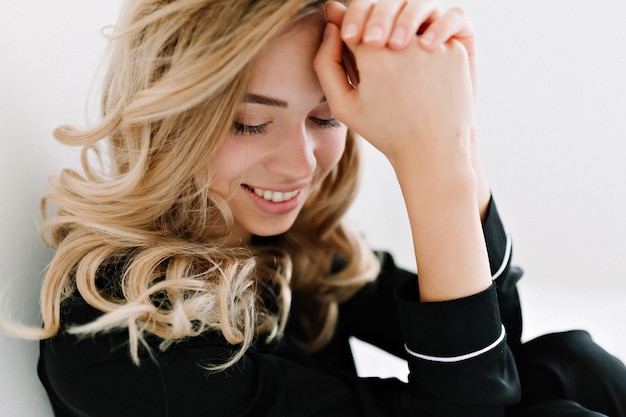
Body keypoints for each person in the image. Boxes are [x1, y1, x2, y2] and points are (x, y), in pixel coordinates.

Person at [27, 0, 625, 415]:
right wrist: (431, 171)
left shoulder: (282, 245)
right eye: (250, 123)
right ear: (168, 110)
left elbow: (496, 347)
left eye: (325, 118)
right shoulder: (123, 342)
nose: (301, 164)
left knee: (570, 363)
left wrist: (454, 135)